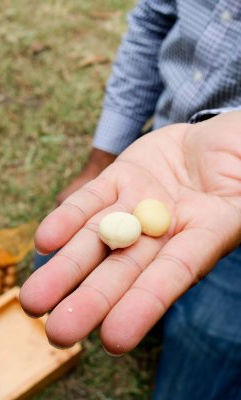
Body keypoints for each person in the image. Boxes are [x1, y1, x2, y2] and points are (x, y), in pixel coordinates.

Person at [21, 1, 241, 399]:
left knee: (200, 361)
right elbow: (151, 22)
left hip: (232, 191)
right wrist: (102, 156)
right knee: (55, 266)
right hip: (161, 158)